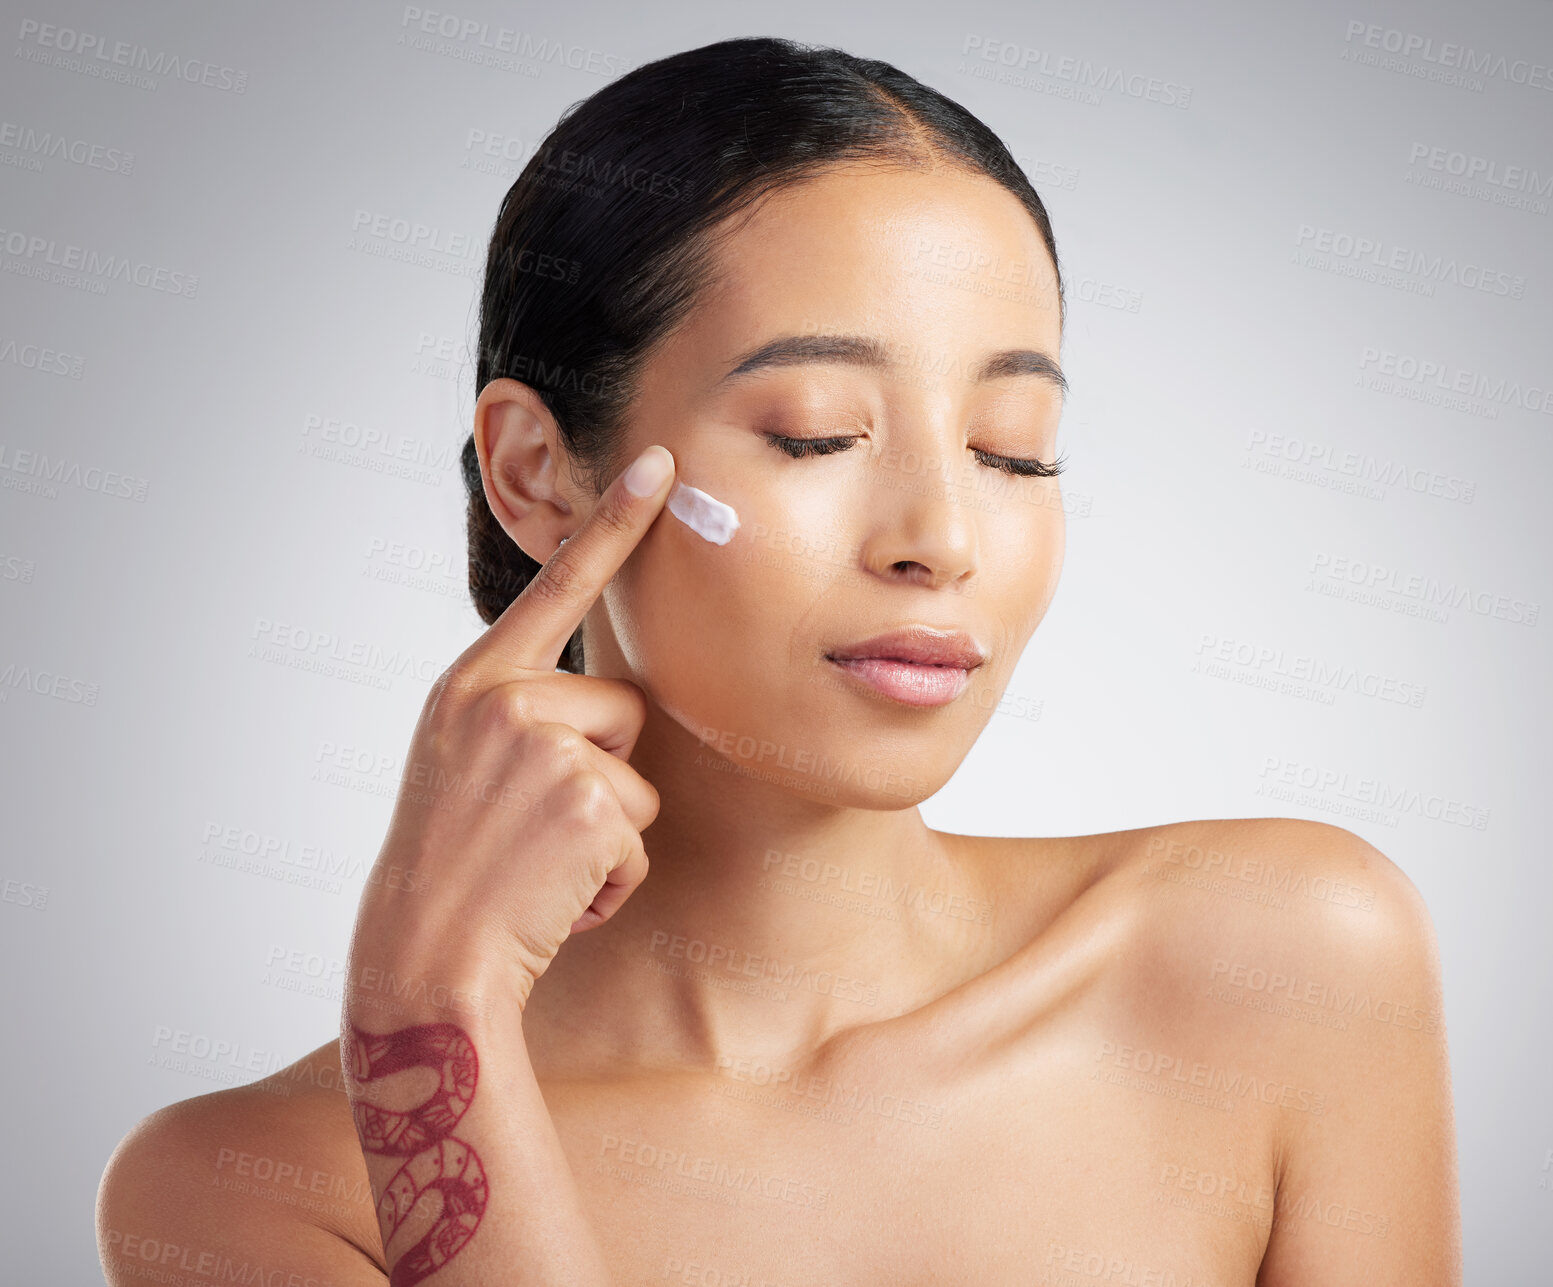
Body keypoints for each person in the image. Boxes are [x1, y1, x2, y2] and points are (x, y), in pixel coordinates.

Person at [97, 36, 1460, 1286]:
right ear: (537, 474)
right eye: (815, 433)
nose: (941, 537)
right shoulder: (250, 1191)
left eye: (1011, 451)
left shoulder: (1282, 963)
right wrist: (428, 1012)